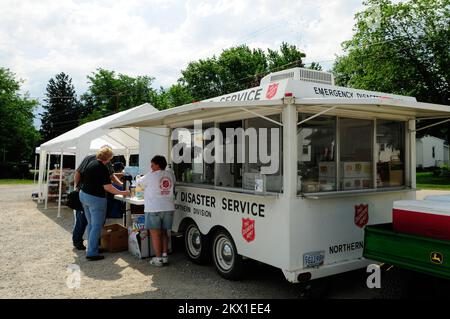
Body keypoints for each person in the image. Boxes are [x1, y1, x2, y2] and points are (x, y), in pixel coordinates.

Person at [79, 147, 130, 261]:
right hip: (95, 198)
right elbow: (108, 187)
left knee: (91, 224)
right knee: (96, 225)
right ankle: (92, 253)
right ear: (108, 158)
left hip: (84, 195)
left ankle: (93, 247)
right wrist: (123, 192)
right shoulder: (102, 168)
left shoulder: (91, 163)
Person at [72, 147, 123, 250]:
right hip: (87, 192)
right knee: (83, 220)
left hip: (96, 193)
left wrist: (121, 184)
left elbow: (112, 175)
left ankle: (96, 243)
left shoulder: (105, 162)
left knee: (97, 221)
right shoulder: (89, 158)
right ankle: (78, 242)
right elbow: (78, 172)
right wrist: (76, 187)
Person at [140, 155, 175, 267]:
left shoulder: (150, 175)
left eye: (152, 164)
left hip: (153, 208)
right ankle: (165, 256)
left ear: (158, 165)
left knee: (155, 234)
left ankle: (158, 258)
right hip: (168, 207)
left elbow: (139, 184)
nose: (151, 166)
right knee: (164, 232)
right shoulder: (171, 174)